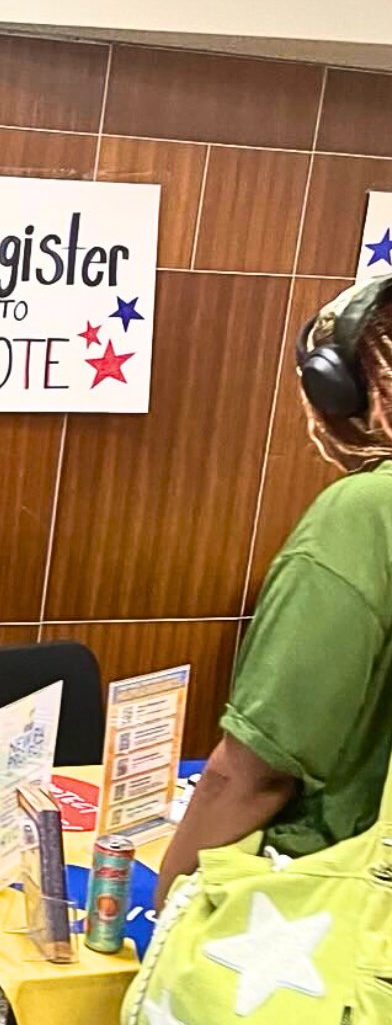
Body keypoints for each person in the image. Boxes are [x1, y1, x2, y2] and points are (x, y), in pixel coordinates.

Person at [154, 275, 392, 910]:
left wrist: (165, 911)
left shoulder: (365, 515)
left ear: (341, 389)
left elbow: (254, 773)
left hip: (338, 906)